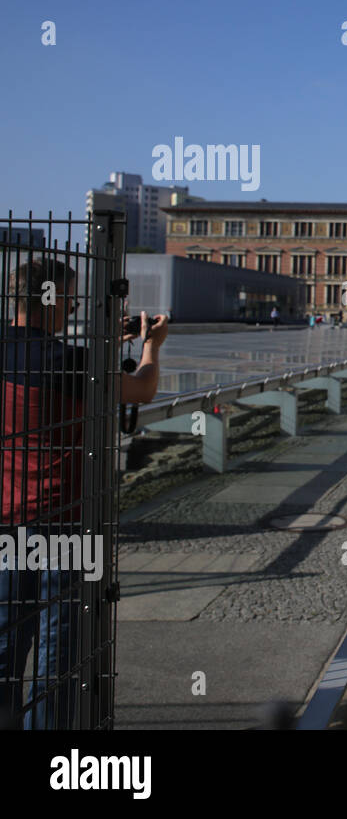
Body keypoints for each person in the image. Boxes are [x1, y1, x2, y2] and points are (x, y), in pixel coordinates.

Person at [1, 258, 168, 729]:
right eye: (69, 297)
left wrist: (103, 345)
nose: (73, 305)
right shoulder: (70, 363)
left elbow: (41, 364)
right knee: (59, 646)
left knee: (6, 637)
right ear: (51, 300)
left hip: (5, 517)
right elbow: (142, 389)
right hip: (66, 519)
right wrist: (152, 347)